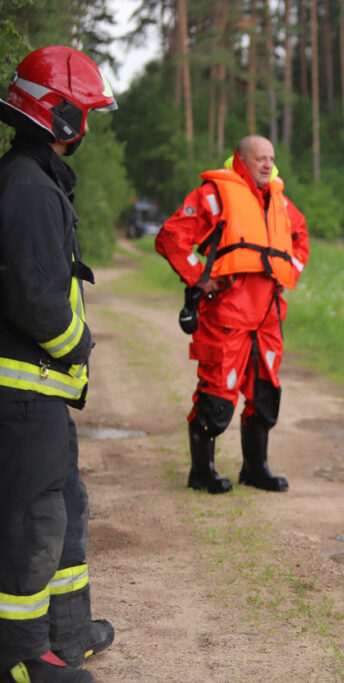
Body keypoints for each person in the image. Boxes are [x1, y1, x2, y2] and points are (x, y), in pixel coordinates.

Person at [0, 46, 119, 683]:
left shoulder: (35, 178)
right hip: (21, 396)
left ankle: (67, 636)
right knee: (31, 521)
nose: (91, 126)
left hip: (39, 396)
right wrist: (79, 345)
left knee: (64, 509)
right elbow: (38, 301)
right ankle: (21, 658)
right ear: (61, 115)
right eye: (87, 111)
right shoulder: (27, 185)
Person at [156, 135, 310, 495]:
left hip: (268, 317)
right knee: (217, 394)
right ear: (241, 160)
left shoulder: (281, 203)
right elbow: (171, 237)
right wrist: (200, 276)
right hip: (227, 314)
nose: (268, 164)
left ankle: (256, 469)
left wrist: (289, 271)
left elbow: (300, 238)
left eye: (271, 158)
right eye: (260, 158)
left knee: (265, 394)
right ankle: (202, 472)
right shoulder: (214, 195)